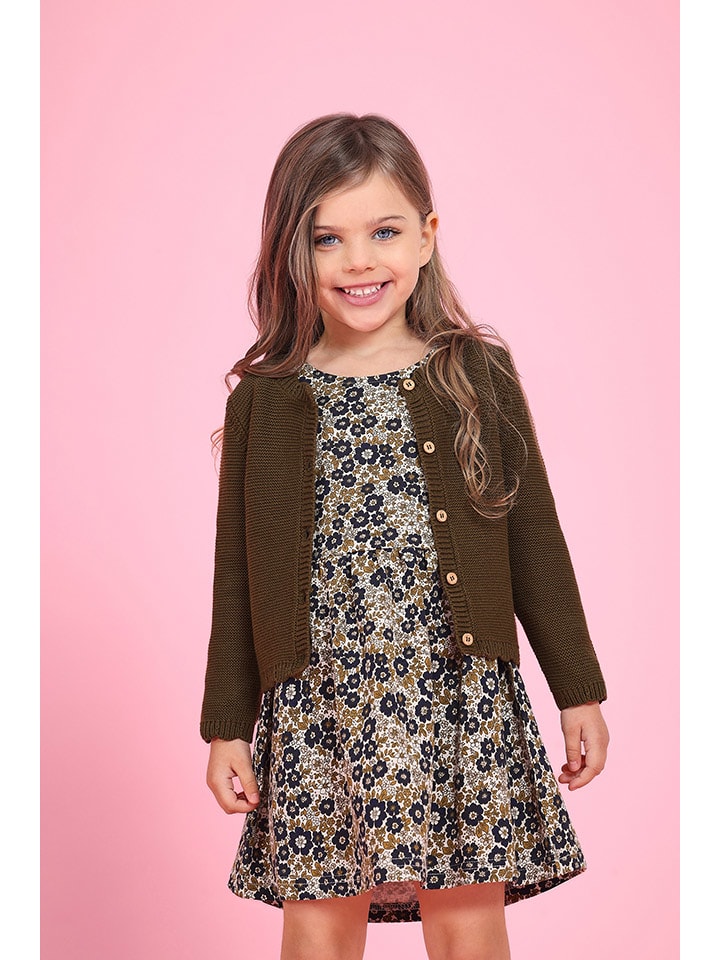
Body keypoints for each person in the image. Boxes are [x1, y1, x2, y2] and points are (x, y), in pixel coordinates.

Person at [200, 113, 609, 960]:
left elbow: (535, 539)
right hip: (319, 704)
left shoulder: (475, 374)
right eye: (328, 239)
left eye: (384, 232)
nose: (359, 260)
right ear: (293, 253)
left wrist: (578, 691)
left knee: (465, 918)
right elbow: (237, 573)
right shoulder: (266, 400)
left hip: (457, 690)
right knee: (319, 922)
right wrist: (226, 725)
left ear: (426, 236)